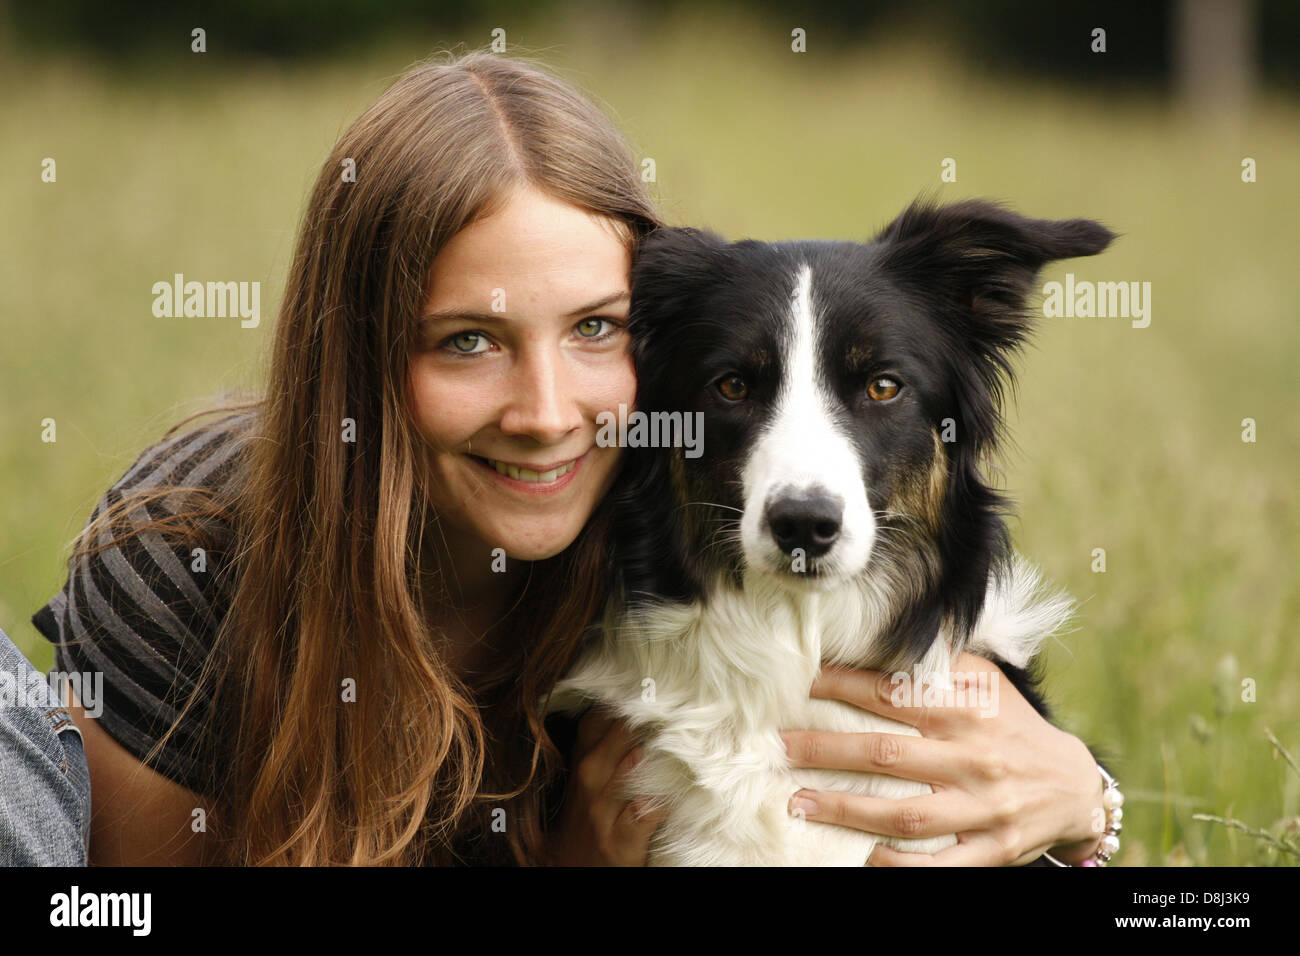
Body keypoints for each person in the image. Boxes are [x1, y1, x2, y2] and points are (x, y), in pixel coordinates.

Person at [27, 49, 1108, 866]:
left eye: (594, 328)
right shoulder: (198, 545)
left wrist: (1082, 797)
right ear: (356, 356)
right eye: (468, 339)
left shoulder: (651, 482)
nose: (548, 414)